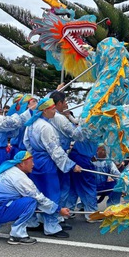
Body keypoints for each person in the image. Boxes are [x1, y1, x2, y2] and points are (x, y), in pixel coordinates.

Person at [0, 151, 70, 245]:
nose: (33, 164)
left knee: (9, 200)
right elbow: (39, 198)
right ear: (22, 163)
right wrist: (58, 210)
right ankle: (17, 235)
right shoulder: (20, 178)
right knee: (31, 202)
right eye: (31, 162)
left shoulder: (7, 172)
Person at [23, 97, 82, 238]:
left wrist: (34, 157)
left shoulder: (31, 124)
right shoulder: (46, 127)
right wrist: (71, 165)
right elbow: (54, 149)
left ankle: (34, 221)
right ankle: (51, 227)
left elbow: (27, 143)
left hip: (35, 161)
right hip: (47, 163)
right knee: (51, 193)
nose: (55, 111)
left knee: (37, 193)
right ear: (45, 110)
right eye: (53, 109)